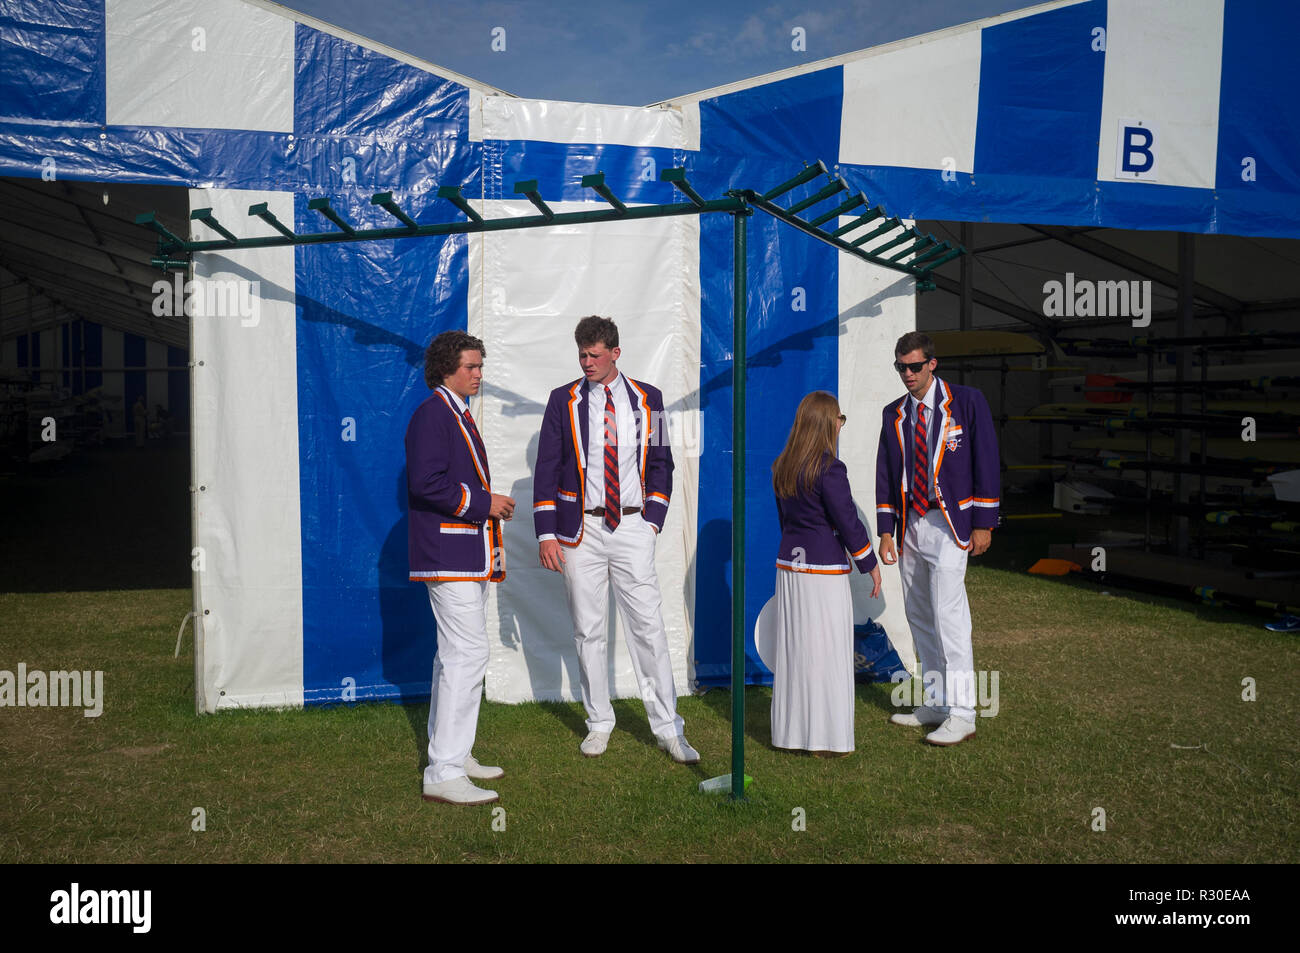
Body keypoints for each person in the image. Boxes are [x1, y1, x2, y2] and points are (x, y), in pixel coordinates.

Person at [533, 316, 699, 764]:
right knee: (588, 630)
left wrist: (652, 522)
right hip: (579, 531)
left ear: (615, 353)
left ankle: (669, 729)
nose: (587, 362)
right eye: (582, 355)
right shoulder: (561, 400)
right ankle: (598, 722)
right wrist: (547, 533)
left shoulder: (651, 399)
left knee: (648, 628)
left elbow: (662, 462)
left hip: (631, 527)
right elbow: (546, 467)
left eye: (595, 354)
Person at [407, 330, 516, 804]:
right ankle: (444, 770)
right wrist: (485, 503)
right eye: (471, 366)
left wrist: (485, 509)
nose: (479, 374)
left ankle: (456, 751)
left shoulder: (457, 413)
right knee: (465, 655)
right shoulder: (434, 414)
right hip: (447, 554)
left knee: (454, 656)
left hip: (465, 552)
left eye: (480, 366)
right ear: (446, 367)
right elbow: (426, 484)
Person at [875, 331, 999, 746]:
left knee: (950, 617)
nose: (907, 375)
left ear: (932, 363)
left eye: (913, 366)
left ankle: (963, 713)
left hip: (952, 524)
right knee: (919, 616)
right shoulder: (893, 413)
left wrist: (985, 521)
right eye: (900, 367)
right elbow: (886, 476)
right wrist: (886, 530)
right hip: (912, 525)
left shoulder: (967, 401)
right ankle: (935, 700)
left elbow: (986, 458)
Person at [771, 391, 882, 755]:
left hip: (790, 566)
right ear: (826, 422)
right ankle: (825, 739)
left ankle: (790, 735)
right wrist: (869, 563)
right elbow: (847, 521)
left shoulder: (782, 465)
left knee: (796, 651)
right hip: (822, 570)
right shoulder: (829, 468)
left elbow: (785, 521)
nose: (841, 423)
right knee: (828, 653)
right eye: (839, 417)